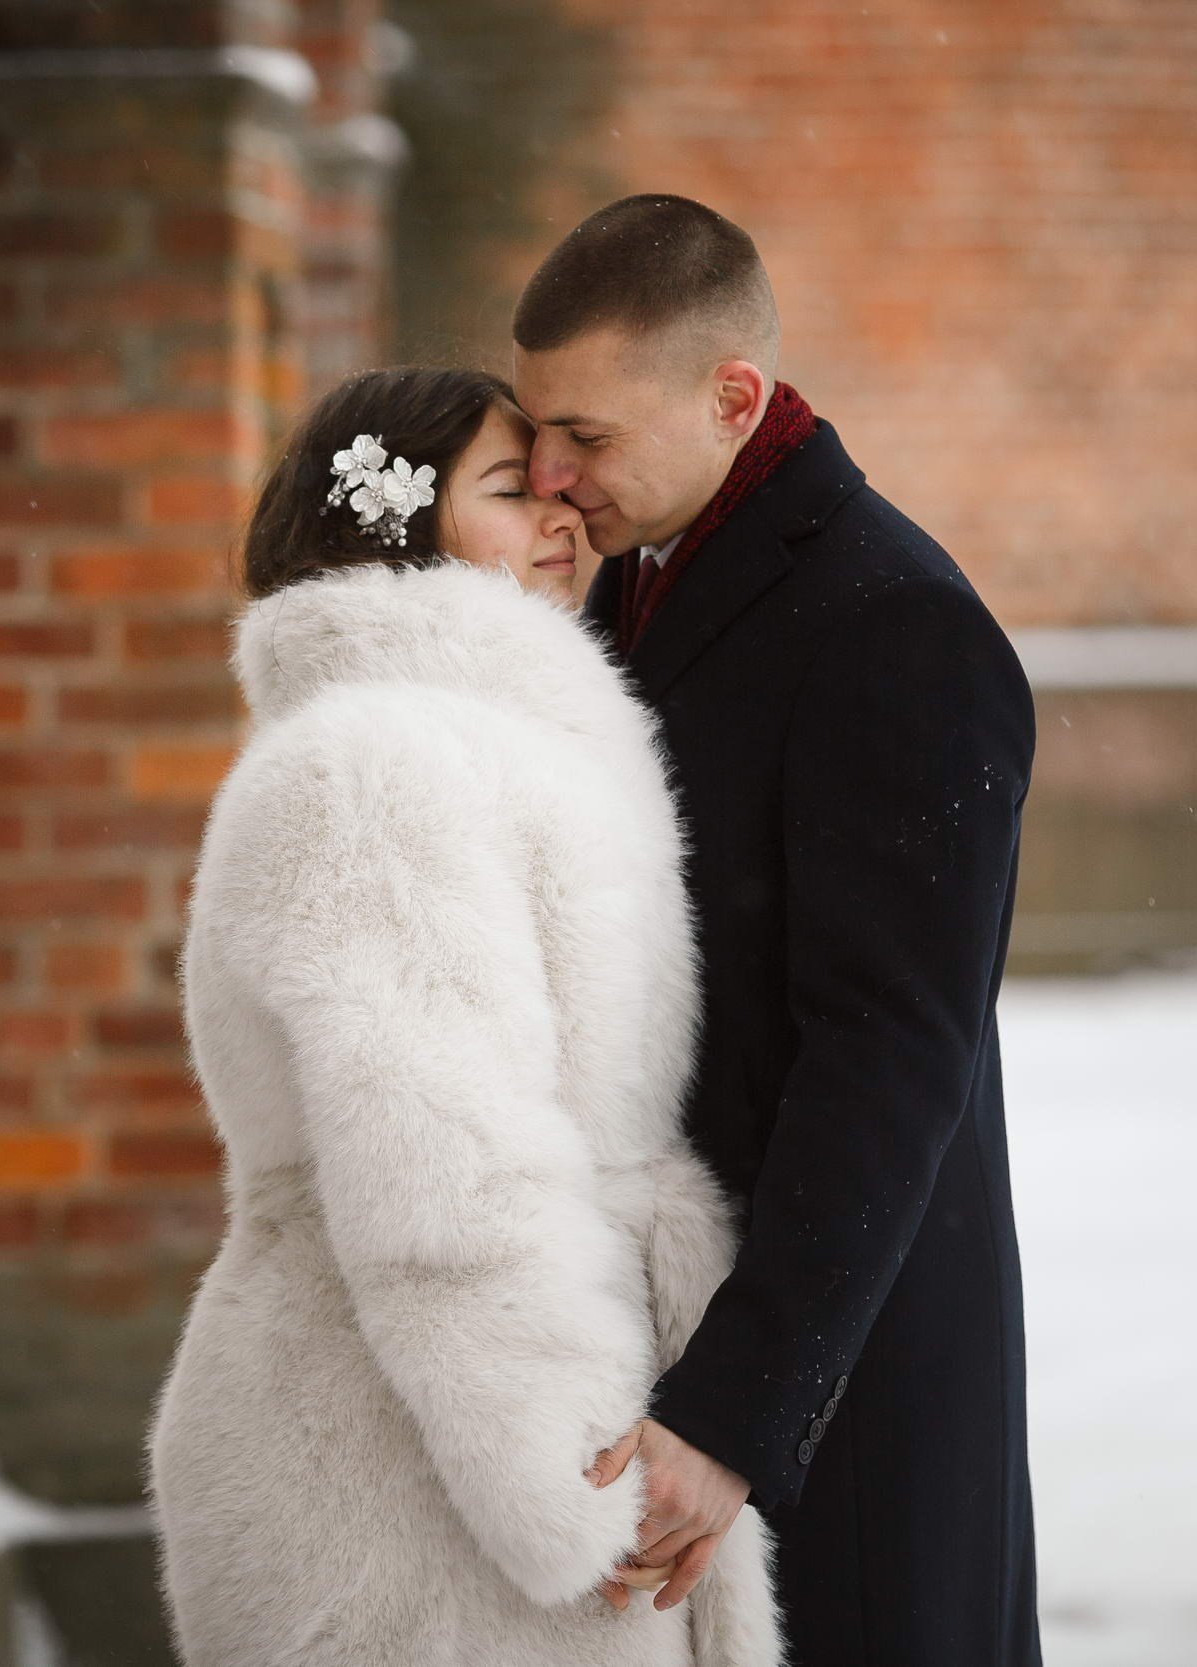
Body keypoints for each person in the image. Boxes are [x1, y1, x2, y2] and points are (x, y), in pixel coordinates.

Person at [147, 366, 782, 1667]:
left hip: (471, 1429)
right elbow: (444, 1169)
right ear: (393, 522)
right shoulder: (374, 767)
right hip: (400, 1472)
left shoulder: (489, 751)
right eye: (510, 488)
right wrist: (572, 1487)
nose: (564, 515)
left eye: (560, 485)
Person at [512, 194, 1042, 1664]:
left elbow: (889, 1061)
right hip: (667, 1343)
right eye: (537, 432)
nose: (550, 474)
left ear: (733, 398)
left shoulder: (898, 625)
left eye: (586, 436)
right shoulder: (632, 573)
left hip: (841, 1392)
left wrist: (738, 1410)